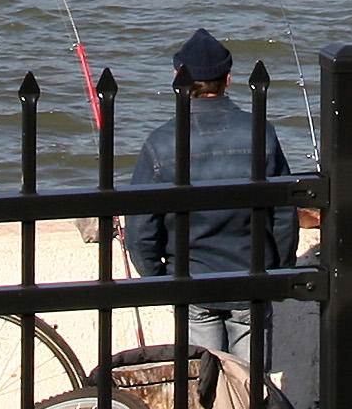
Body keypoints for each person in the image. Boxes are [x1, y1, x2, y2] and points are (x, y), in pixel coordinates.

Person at [124, 28, 298, 367]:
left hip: (192, 280)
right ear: (228, 79)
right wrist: (279, 270)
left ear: (179, 79)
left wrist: (156, 278)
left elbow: (141, 227)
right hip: (251, 276)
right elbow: (283, 212)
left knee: (203, 381)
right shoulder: (261, 133)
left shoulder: (160, 142)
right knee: (251, 384)